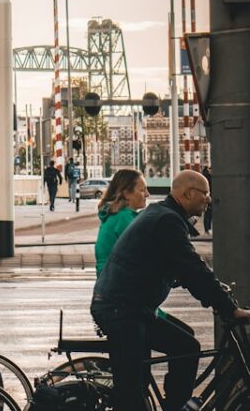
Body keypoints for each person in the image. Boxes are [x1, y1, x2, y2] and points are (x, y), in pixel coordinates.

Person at [91, 170, 250, 411]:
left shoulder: (163, 215)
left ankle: (174, 406)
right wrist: (228, 306)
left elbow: (179, 268)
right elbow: (192, 267)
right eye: (205, 193)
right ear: (187, 193)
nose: (208, 199)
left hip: (132, 307)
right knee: (130, 394)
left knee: (186, 347)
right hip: (121, 310)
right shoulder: (167, 220)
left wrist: (210, 290)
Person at [94, 168, 148, 276]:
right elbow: (144, 254)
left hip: (108, 284)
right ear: (127, 193)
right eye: (142, 190)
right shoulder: (123, 219)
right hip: (120, 285)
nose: (147, 194)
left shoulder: (115, 216)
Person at [201, 165, 213, 235]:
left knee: (208, 213)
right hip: (208, 198)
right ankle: (207, 229)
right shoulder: (208, 177)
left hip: (209, 197)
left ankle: (208, 229)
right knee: (208, 213)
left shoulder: (207, 177)